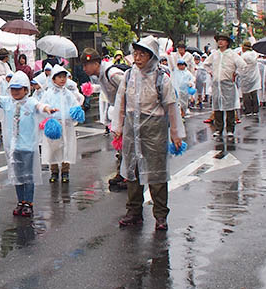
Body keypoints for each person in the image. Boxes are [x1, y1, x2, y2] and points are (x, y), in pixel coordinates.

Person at [112, 36, 185, 231]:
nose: (137, 57)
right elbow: (120, 102)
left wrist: (176, 135)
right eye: (135, 53)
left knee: (157, 174)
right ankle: (134, 212)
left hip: (154, 130)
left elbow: (172, 107)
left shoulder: (162, 78)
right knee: (133, 172)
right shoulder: (128, 76)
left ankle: (161, 215)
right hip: (132, 129)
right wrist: (118, 128)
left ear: (151, 56)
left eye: (142, 54)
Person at [0, 71, 55, 217]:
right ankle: (20, 201)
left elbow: (40, 106)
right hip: (13, 148)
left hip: (28, 147)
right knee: (17, 176)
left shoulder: (31, 102)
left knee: (28, 176)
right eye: (13, 89)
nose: (15, 92)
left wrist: (47, 109)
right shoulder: (8, 102)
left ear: (26, 89)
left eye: (18, 89)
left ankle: (29, 203)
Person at [81, 47, 129, 188]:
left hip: (127, 112)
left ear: (96, 63)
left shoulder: (111, 73)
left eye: (86, 65)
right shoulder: (101, 74)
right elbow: (106, 89)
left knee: (127, 146)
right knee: (121, 145)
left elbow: (130, 89)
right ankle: (122, 173)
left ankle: (129, 177)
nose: (84, 68)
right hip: (119, 111)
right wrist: (93, 89)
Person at [40, 65, 83, 183]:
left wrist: (76, 112)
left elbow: (75, 105)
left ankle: (65, 172)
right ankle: (54, 171)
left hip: (67, 126)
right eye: (59, 77)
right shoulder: (48, 93)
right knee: (52, 149)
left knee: (66, 148)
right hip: (54, 127)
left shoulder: (68, 93)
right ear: (53, 79)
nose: (63, 79)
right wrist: (48, 116)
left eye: (64, 77)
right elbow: (42, 106)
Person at [202, 34, 246, 139]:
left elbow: (243, 65)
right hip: (217, 83)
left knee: (229, 106)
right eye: (219, 40)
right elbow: (205, 64)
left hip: (227, 82)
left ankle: (230, 129)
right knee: (217, 107)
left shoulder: (232, 54)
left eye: (223, 40)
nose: (220, 42)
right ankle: (218, 129)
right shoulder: (215, 54)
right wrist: (211, 72)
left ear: (227, 43)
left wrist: (236, 73)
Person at [238, 41, 261, 117]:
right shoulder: (254, 54)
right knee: (254, 94)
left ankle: (248, 110)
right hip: (254, 77)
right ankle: (255, 110)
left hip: (245, 77)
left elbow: (239, 66)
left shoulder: (243, 56)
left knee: (246, 94)